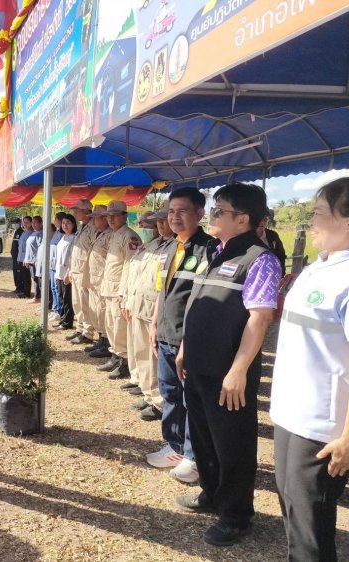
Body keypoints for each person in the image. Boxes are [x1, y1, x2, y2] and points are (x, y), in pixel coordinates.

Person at [176, 183, 281, 547]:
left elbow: (260, 318)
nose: (211, 215)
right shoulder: (217, 252)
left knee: (232, 444)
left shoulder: (260, 258)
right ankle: (212, 494)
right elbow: (201, 303)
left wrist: (238, 370)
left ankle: (236, 515)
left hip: (229, 373)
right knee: (203, 438)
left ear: (244, 219)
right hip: (200, 365)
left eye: (219, 210)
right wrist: (185, 347)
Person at [270, 177, 349, 560]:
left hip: (324, 427)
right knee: (291, 506)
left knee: (312, 525)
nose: (310, 220)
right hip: (291, 413)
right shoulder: (316, 267)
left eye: (319, 213)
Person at [147, 188, 212, 483]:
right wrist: (154, 323)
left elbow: (203, 302)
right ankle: (174, 445)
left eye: (182, 211)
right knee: (170, 393)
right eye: (171, 211)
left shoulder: (209, 250)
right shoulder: (171, 247)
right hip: (165, 333)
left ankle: (193, 455)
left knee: (191, 399)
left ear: (199, 214)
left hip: (190, 339)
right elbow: (165, 291)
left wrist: (189, 340)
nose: (175, 217)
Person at [122, 211, 172, 422]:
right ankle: (149, 394)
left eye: (164, 220)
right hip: (139, 305)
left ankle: (159, 402)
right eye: (158, 221)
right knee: (141, 353)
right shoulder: (153, 244)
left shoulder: (175, 247)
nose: (160, 225)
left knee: (154, 358)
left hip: (154, 309)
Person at [96, 201, 141, 380]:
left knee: (120, 328)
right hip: (109, 287)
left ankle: (124, 363)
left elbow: (130, 266)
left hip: (119, 290)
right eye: (108, 215)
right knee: (111, 326)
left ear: (124, 215)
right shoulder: (115, 235)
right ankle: (115, 356)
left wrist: (123, 292)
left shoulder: (130, 237)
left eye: (115, 215)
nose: (111, 218)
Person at [83, 205, 114, 358]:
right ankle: (101, 339)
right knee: (96, 312)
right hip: (95, 281)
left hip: (103, 281)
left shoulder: (110, 235)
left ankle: (106, 343)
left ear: (103, 218)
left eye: (96, 217)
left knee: (103, 313)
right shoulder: (99, 233)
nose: (93, 220)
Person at [66, 200, 97, 344]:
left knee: (85, 304)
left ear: (86, 211)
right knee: (77, 302)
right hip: (76, 271)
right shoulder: (81, 226)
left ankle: (87, 333)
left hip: (85, 272)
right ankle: (79, 328)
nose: (75, 213)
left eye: (78, 210)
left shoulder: (93, 227)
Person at [53, 214, 77, 329]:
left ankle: (68, 322)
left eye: (68, 223)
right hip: (59, 272)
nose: (65, 225)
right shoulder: (62, 237)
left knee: (67, 299)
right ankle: (62, 319)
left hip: (67, 273)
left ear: (73, 224)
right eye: (63, 223)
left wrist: (69, 272)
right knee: (61, 298)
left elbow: (73, 257)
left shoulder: (74, 238)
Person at [257, 208, 287, 274]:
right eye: (259, 218)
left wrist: (281, 274)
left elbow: (281, 256)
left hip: (272, 275)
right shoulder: (245, 236)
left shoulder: (273, 235)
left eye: (265, 219)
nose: (262, 222)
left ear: (268, 220)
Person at [48, 212, 66, 322]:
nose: (54, 222)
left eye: (56, 219)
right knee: (53, 288)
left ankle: (59, 310)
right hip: (52, 264)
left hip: (58, 265)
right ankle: (55, 309)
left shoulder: (64, 235)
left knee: (58, 289)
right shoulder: (56, 233)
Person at [23, 216, 43, 303]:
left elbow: (40, 248)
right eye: (33, 222)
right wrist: (26, 259)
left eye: (35, 222)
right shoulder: (33, 233)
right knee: (34, 278)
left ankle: (38, 297)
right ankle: (37, 296)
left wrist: (37, 259)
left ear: (40, 223)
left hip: (36, 261)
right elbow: (29, 247)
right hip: (30, 260)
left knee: (36, 279)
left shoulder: (41, 234)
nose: (33, 224)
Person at [12, 217, 32, 296]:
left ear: (31, 223)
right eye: (24, 222)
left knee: (26, 277)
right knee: (23, 276)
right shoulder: (25, 232)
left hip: (25, 258)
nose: (25, 224)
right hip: (20, 257)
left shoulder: (30, 232)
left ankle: (26, 292)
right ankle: (24, 291)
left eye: (27, 222)